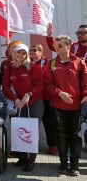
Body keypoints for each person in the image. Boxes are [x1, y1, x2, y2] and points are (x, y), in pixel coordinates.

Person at [44, 35, 87, 176]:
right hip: (57, 105)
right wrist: (59, 93)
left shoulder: (80, 63)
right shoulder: (51, 63)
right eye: (56, 45)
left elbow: (85, 84)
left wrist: (85, 95)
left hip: (76, 107)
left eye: (60, 45)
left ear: (68, 46)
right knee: (61, 136)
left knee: (75, 137)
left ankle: (74, 166)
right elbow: (47, 84)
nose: (57, 47)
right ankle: (63, 164)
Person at [2, 44, 44, 172]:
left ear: (26, 55)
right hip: (19, 103)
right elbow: (5, 86)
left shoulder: (32, 67)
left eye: (23, 53)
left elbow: (40, 84)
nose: (20, 55)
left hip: (34, 102)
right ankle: (23, 157)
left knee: (31, 132)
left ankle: (31, 160)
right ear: (13, 54)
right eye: (18, 53)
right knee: (20, 130)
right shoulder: (9, 68)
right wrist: (15, 99)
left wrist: (29, 94)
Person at [29, 44, 57, 155]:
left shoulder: (48, 63)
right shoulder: (27, 63)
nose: (31, 51)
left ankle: (53, 145)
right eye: (30, 49)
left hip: (46, 97)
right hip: (33, 97)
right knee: (33, 122)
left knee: (49, 122)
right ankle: (32, 145)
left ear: (41, 52)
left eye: (34, 50)